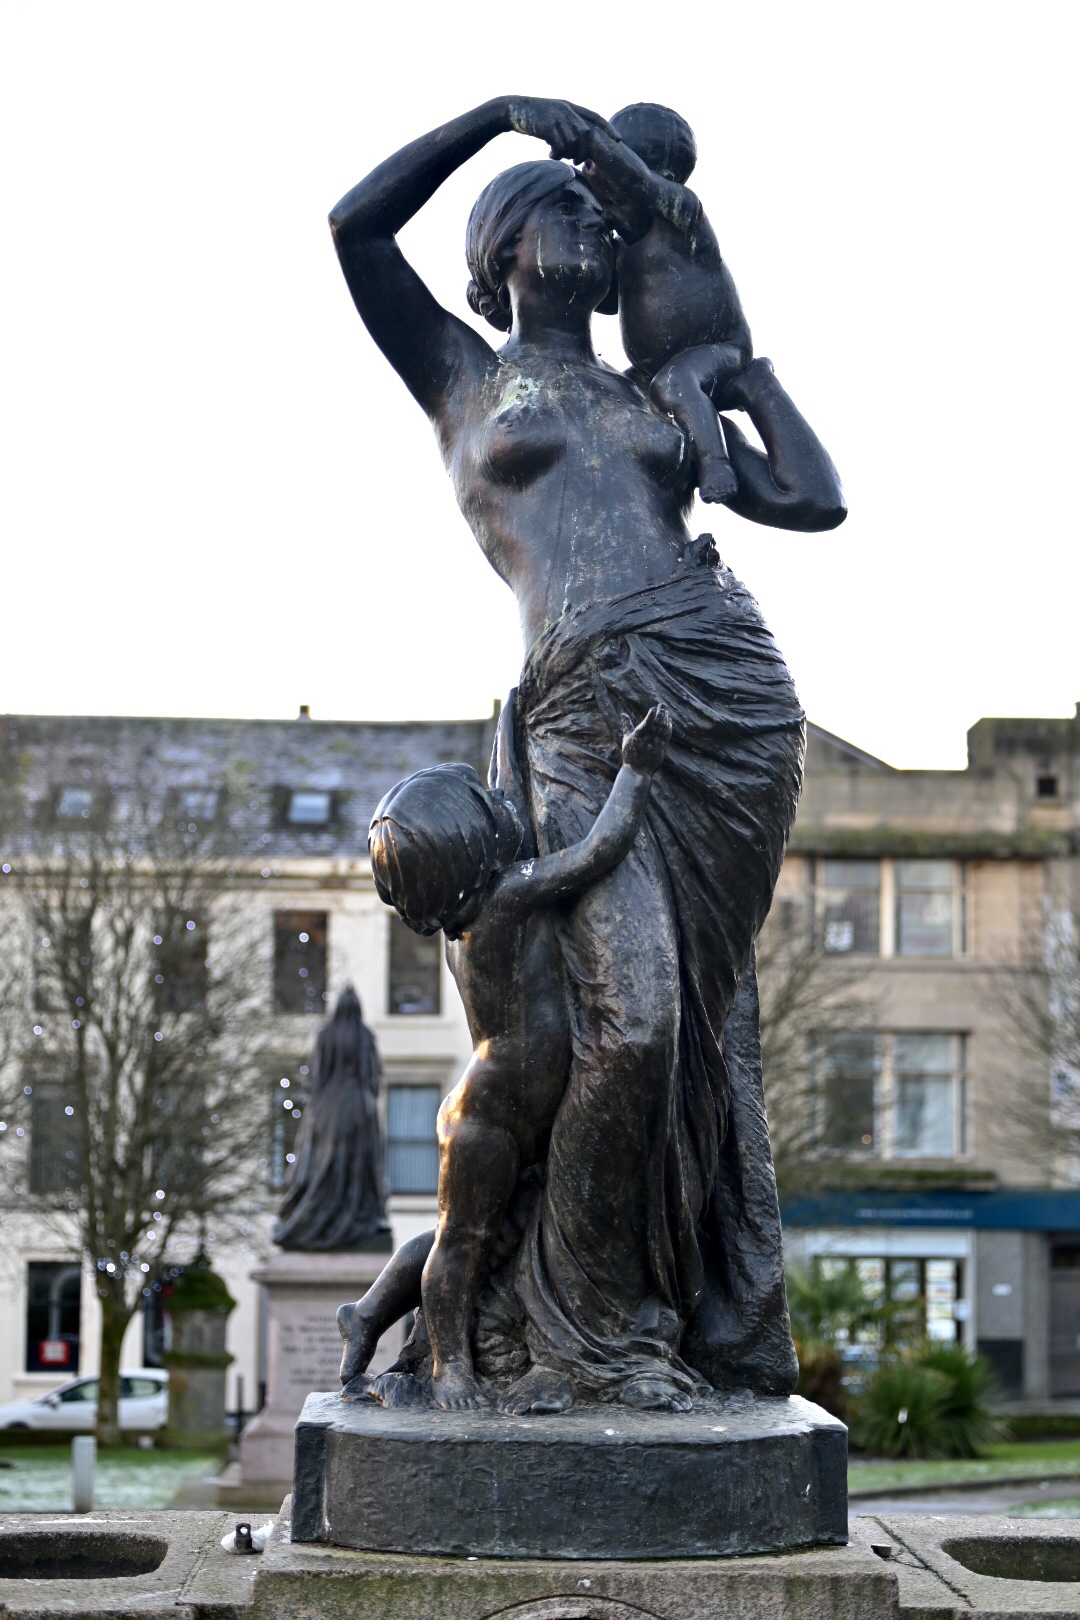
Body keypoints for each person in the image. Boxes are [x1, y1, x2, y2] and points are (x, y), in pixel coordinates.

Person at [329, 96, 845, 1413]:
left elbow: (812, 497)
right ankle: (584, 1338)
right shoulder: (464, 377)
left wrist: (737, 370)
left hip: (725, 700)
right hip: (581, 708)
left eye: (607, 224)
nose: (599, 232)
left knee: (693, 1030)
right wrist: (499, 116)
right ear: (504, 243)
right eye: (569, 210)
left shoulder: (653, 386)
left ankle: (646, 1329)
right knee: (630, 1021)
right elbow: (354, 228)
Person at [356, 705, 671, 1411]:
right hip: (493, 1113)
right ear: (471, 848)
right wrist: (636, 770)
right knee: (464, 1242)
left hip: (502, 1104)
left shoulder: (462, 921)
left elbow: (514, 806)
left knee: (474, 1237)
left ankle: (370, 1311)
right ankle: (450, 1368)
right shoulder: (506, 899)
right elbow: (598, 851)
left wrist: (510, 732)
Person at [577, 102, 755, 504]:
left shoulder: (682, 214)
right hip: (651, 370)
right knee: (611, 396)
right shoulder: (623, 248)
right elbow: (607, 303)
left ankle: (716, 463)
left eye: (599, 166)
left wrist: (589, 140)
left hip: (720, 350)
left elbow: (638, 181)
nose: (590, 175)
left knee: (676, 382)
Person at [272, 985, 391, 1252]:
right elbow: (372, 1077)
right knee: (357, 1166)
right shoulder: (365, 1036)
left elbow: (314, 1077)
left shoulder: (324, 1035)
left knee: (319, 1165)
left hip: (325, 1107)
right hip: (358, 1106)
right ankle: (356, 1214)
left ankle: (316, 1218)